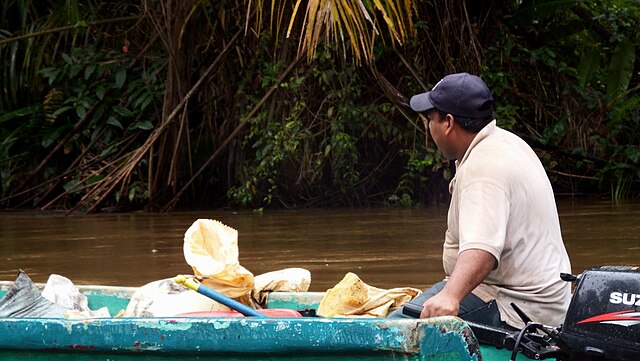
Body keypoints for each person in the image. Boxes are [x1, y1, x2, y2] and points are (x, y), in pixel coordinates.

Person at [388, 72, 572, 331]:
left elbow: (482, 251)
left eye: (430, 120)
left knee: (391, 329)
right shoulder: (504, 142)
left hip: (515, 306)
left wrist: (450, 296)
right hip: (540, 300)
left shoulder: (483, 167)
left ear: (449, 123)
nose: (428, 129)